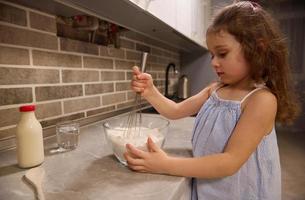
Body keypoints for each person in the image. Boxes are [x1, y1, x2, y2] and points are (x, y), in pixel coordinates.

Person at [124, 1, 299, 199]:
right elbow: (174, 110)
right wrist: (150, 91)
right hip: (209, 187)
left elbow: (229, 162)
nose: (214, 62)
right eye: (212, 54)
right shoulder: (215, 89)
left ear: (257, 49)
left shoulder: (261, 100)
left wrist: (165, 164)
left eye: (222, 53)